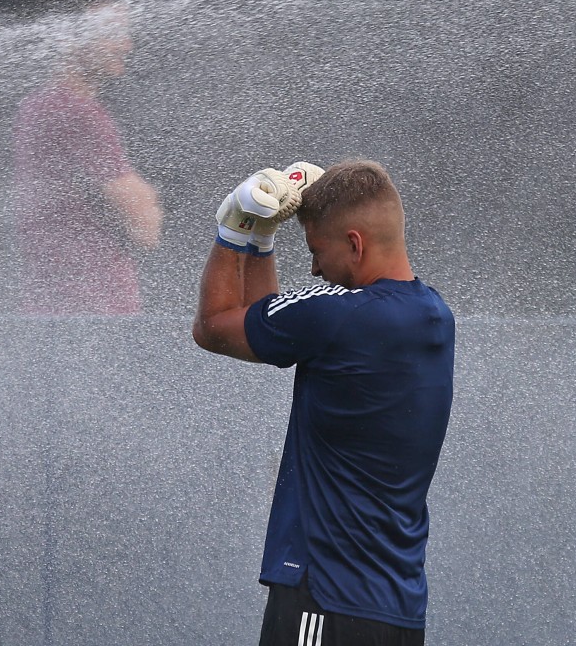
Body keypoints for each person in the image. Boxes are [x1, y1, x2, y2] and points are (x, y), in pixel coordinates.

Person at [192, 160, 454, 646]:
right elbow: (274, 326)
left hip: (323, 602)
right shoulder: (436, 316)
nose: (313, 267)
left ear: (355, 244)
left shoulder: (335, 316)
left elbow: (214, 327)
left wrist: (239, 230)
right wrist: (266, 239)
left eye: (316, 250)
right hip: (398, 611)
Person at [12, 0, 162, 314]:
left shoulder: (37, 104)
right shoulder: (76, 112)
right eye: (111, 34)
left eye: (125, 33)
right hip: (92, 306)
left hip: (54, 301)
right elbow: (143, 223)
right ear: (66, 38)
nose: (127, 45)